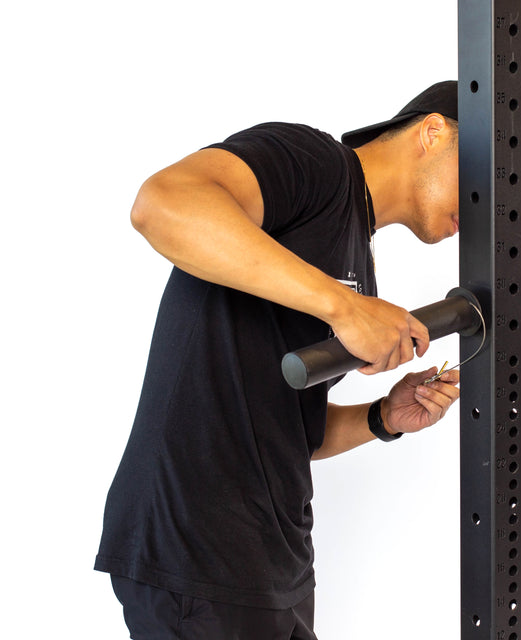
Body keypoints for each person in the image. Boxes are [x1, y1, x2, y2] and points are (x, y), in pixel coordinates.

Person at [95, 80, 461, 639]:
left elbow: (294, 433)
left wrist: (382, 418)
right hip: (198, 555)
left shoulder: (357, 256)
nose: (487, 204)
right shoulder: (315, 164)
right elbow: (163, 202)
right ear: (432, 132)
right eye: (483, 174)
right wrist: (344, 307)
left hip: (275, 566)